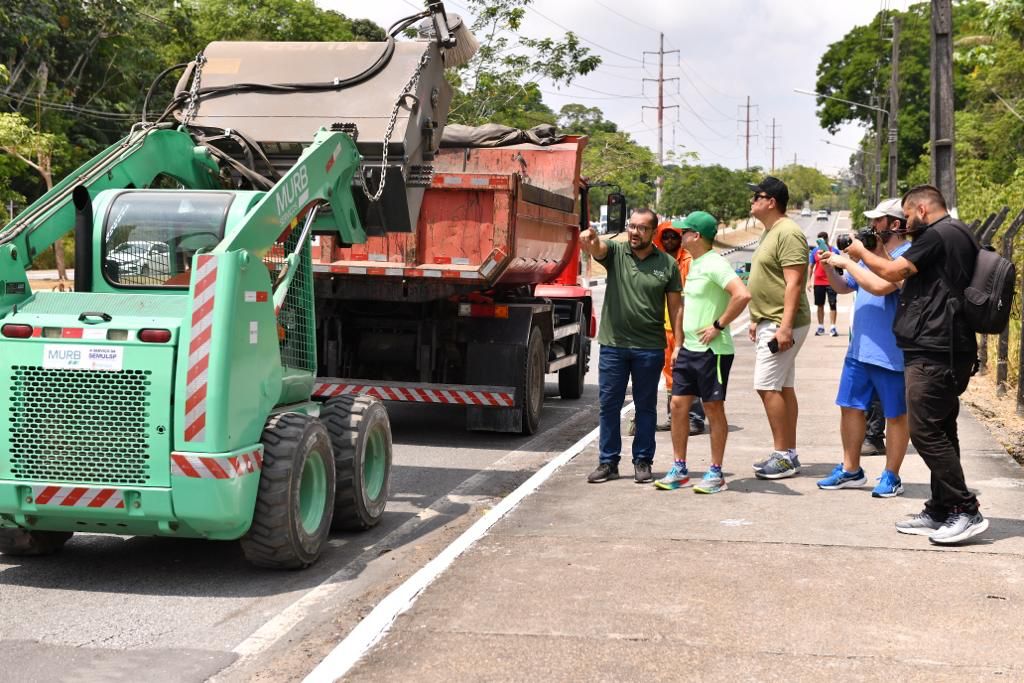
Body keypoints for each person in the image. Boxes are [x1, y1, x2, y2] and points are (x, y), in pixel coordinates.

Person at [845, 185, 988, 544]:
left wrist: (859, 253)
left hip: (937, 347)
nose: (907, 224)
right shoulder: (957, 234)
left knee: (925, 431)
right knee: (942, 429)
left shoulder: (939, 234)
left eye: (908, 216)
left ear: (922, 209)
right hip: (943, 344)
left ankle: (964, 509)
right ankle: (941, 508)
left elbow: (892, 273)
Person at [816, 197, 911, 498]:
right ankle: (850, 469)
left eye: (878, 221)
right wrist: (832, 266)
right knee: (851, 408)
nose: (871, 226)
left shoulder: (906, 255)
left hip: (891, 353)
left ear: (894, 225)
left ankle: (891, 475)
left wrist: (850, 260)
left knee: (895, 415)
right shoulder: (869, 253)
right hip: (859, 350)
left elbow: (881, 286)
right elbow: (846, 286)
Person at [581, 208, 683, 484]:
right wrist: (589, 239)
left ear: (653, 232)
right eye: (631, 226)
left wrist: (679, 345)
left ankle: (642, 461)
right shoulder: (616, 252)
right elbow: (598, 247)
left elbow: (676, 308)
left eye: (641, 228)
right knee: (608, 405)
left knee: (646, 407)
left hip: (649, 348)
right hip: (614, 345)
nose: (634, 232)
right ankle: (608, 462)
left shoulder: (667, 264)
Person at [654, 212, 751, 493]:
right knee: (677, 406)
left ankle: (716, 472)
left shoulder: (714, 264)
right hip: (689, 350)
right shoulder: (695, 264)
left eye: (684, 232)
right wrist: (680, 344)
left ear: (696, 236)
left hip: (713, 352)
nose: (679, 236)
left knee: (712, 408)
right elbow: (685, 307)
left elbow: (742, 294)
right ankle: (680, 467)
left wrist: (719, 325)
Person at [745, 176, 812, 479]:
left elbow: (794, 282)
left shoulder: (788, 232)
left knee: (766, 385)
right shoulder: (770, 232)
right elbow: (768, 280)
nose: (752, 202)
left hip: (782, 323)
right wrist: (756, 318)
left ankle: (782, 455)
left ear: (771, 201)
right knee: (783, 387)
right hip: (769, 319)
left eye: (756, 197)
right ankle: (790, 453)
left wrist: (783, 327)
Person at [649, 220, 705, 435]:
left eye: (674, 236)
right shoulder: (659, 261)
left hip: (685, 326)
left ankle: (694, 418)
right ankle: (675, 417)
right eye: (666, 237)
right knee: (670, 374)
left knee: (687, 372)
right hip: (663, 326)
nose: (670, 240)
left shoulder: (689, 261)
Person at [808, 231, 840, 336]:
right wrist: (809, 281)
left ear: (827, 239)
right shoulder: (814, 252)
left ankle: (833, 327)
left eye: (822, 240)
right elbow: (811, 266)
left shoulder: (834, 251)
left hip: (832, 282)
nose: (820, 243)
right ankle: (820, 327)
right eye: (819, 241)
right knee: (820, 305)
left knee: (833, 304)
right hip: (818, 282)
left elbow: (839, 266)